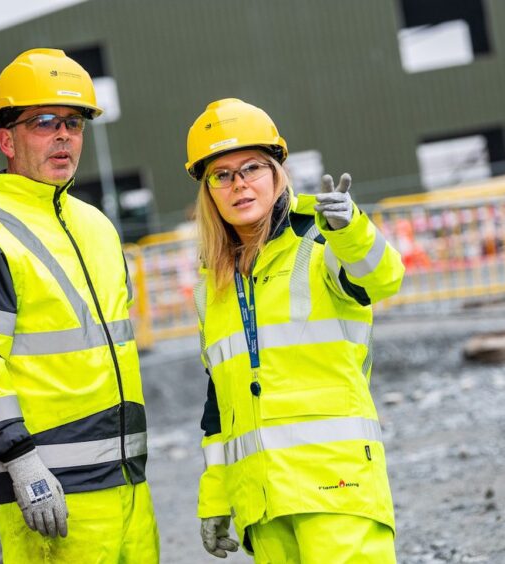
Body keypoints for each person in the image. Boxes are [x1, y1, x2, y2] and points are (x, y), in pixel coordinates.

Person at [0, 48, 159, 562]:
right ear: (6, 139)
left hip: (127, 485)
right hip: (50, 494)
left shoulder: (96, 226)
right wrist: (22, 463)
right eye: (44, 122)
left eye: (73, 123)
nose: (63, 136)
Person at [185, 98, 404, 562]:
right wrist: (216, 498)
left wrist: (351, 230)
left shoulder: (321, 239)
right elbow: (219, 406)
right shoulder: (213, 286)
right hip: (263, 506)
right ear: (208, 191)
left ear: (277, 172)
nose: (239, 184)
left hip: (337, 492)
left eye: (252, 168)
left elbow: (382, 278)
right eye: (222, 175)